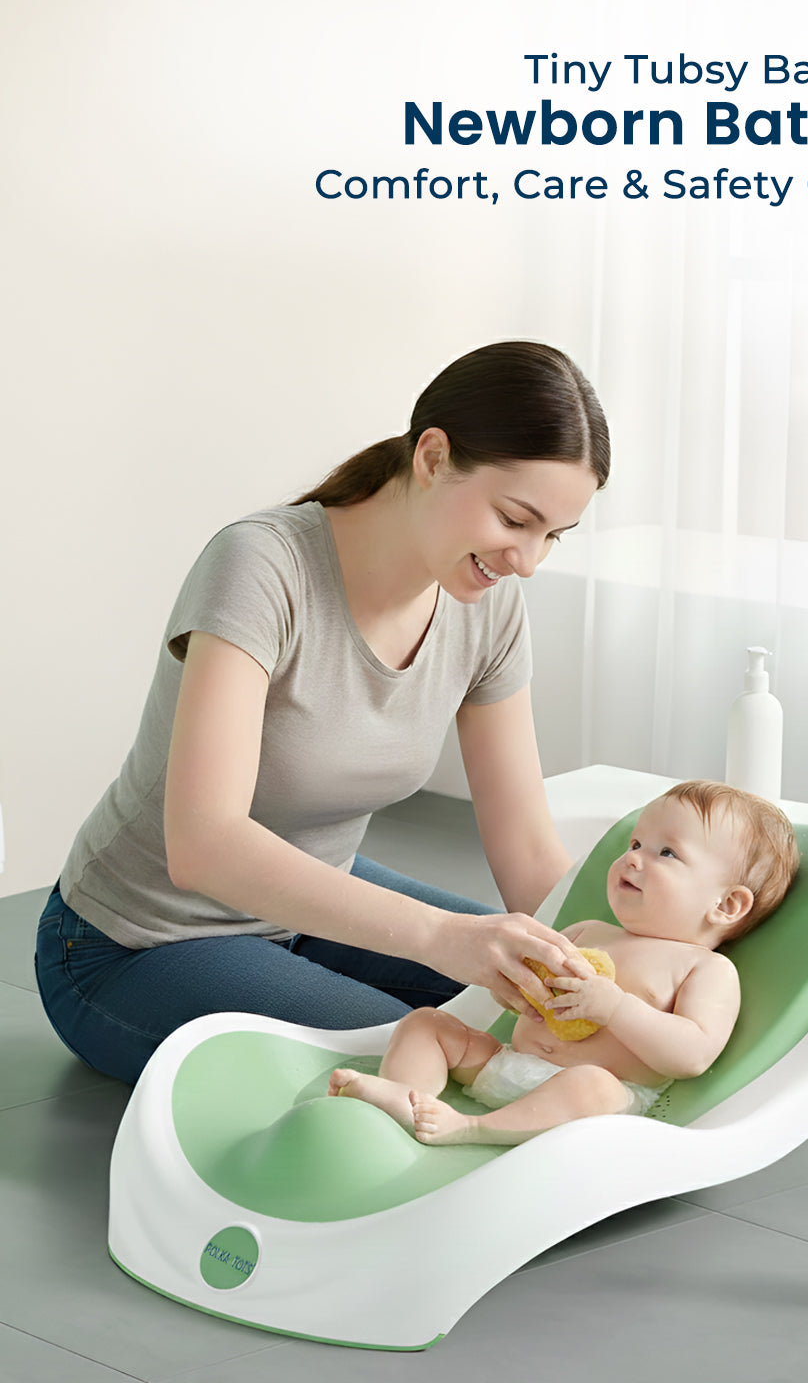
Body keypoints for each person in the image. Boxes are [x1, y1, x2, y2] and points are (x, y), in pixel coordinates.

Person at [36, 341, 609, 1085]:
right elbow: (204, 843)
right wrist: (440, 936)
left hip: (306, 909)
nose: (527, 561)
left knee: (557, 1024)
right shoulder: (261, 566)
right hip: (137, 944)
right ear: (432, 456)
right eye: (514, 519)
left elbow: (529, 855)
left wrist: (620, 983)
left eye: (552, 538)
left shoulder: (489, 611)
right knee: (436, 1061)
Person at [328, 780, 799, 1146]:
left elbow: (692, 1054)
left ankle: (473, 1127)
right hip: (508, 1064)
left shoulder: (705, 970)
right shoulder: (587, 932)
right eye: (635, 844)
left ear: (728, 905)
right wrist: (519, 995)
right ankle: (407, 1095)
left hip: (600, 1096)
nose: (633, 860)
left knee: (590, 1083)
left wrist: (614, 1008)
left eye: (666, 853)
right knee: (428, 1023)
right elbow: (513, 989)